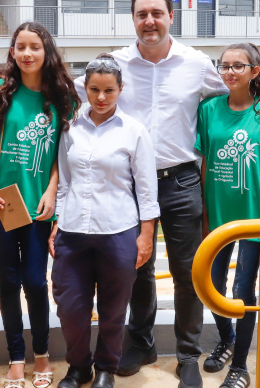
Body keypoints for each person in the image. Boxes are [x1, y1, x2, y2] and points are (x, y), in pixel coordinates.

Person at [75, 0, 226, 388]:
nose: (149, 21)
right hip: (127, 184)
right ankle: (141, 343)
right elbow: (72, 95)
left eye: (157, 13)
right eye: (142, 14)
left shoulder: (196, 63)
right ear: (133, 19)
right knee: (135, 266)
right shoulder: (114, 64)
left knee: (188, 270)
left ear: (171, 16)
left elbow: (234, 97)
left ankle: (187, 354)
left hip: (180, 179)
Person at [0, 22, 80, 388]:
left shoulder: (62, 96)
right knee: (7, 280)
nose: (27, 53)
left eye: (34, 46)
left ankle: (42, 354)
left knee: (35, 281)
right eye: (21, 46)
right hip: (1, 203)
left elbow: (62, 157)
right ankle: (16, 357)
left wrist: (53, 191)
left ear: (46, 51)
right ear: (13, 51)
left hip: (37, 208)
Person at [50, 55, 159, 388]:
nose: (101, 97)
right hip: (72, 230)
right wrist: (57, 220)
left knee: (114, 308)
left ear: (120, 89)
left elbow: (146, 189)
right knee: (69, 306)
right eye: (94, 89)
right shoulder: (70, 127)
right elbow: (65, 182)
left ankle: (106, 369)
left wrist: (146, 235)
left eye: (108, 90)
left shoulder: (134, 131)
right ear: (85, 88)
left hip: (119, 231)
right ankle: (79, 366)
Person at [196, 43, 260, 388]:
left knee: (243, 290)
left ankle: (241, 365)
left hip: (254, 217)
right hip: (218, 217)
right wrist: (204, 215)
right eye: (224, 66)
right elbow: (204, 164)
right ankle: (227, 338)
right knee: (212, 286)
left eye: (238, 66)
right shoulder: (209, 109)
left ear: (255, 71)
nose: (229, 72)